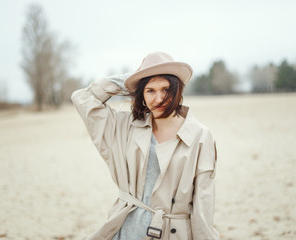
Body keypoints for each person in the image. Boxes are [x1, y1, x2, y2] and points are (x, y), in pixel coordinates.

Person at [71, 52, 220, 240]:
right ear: (141, 94)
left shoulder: (200, 136)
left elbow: (203, 206)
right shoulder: (125, 127)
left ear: (178, 90)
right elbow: (83, 98)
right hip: (126, 230)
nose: (159, 99)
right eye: (150, 90)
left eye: (166, 89)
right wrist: (131, 80)